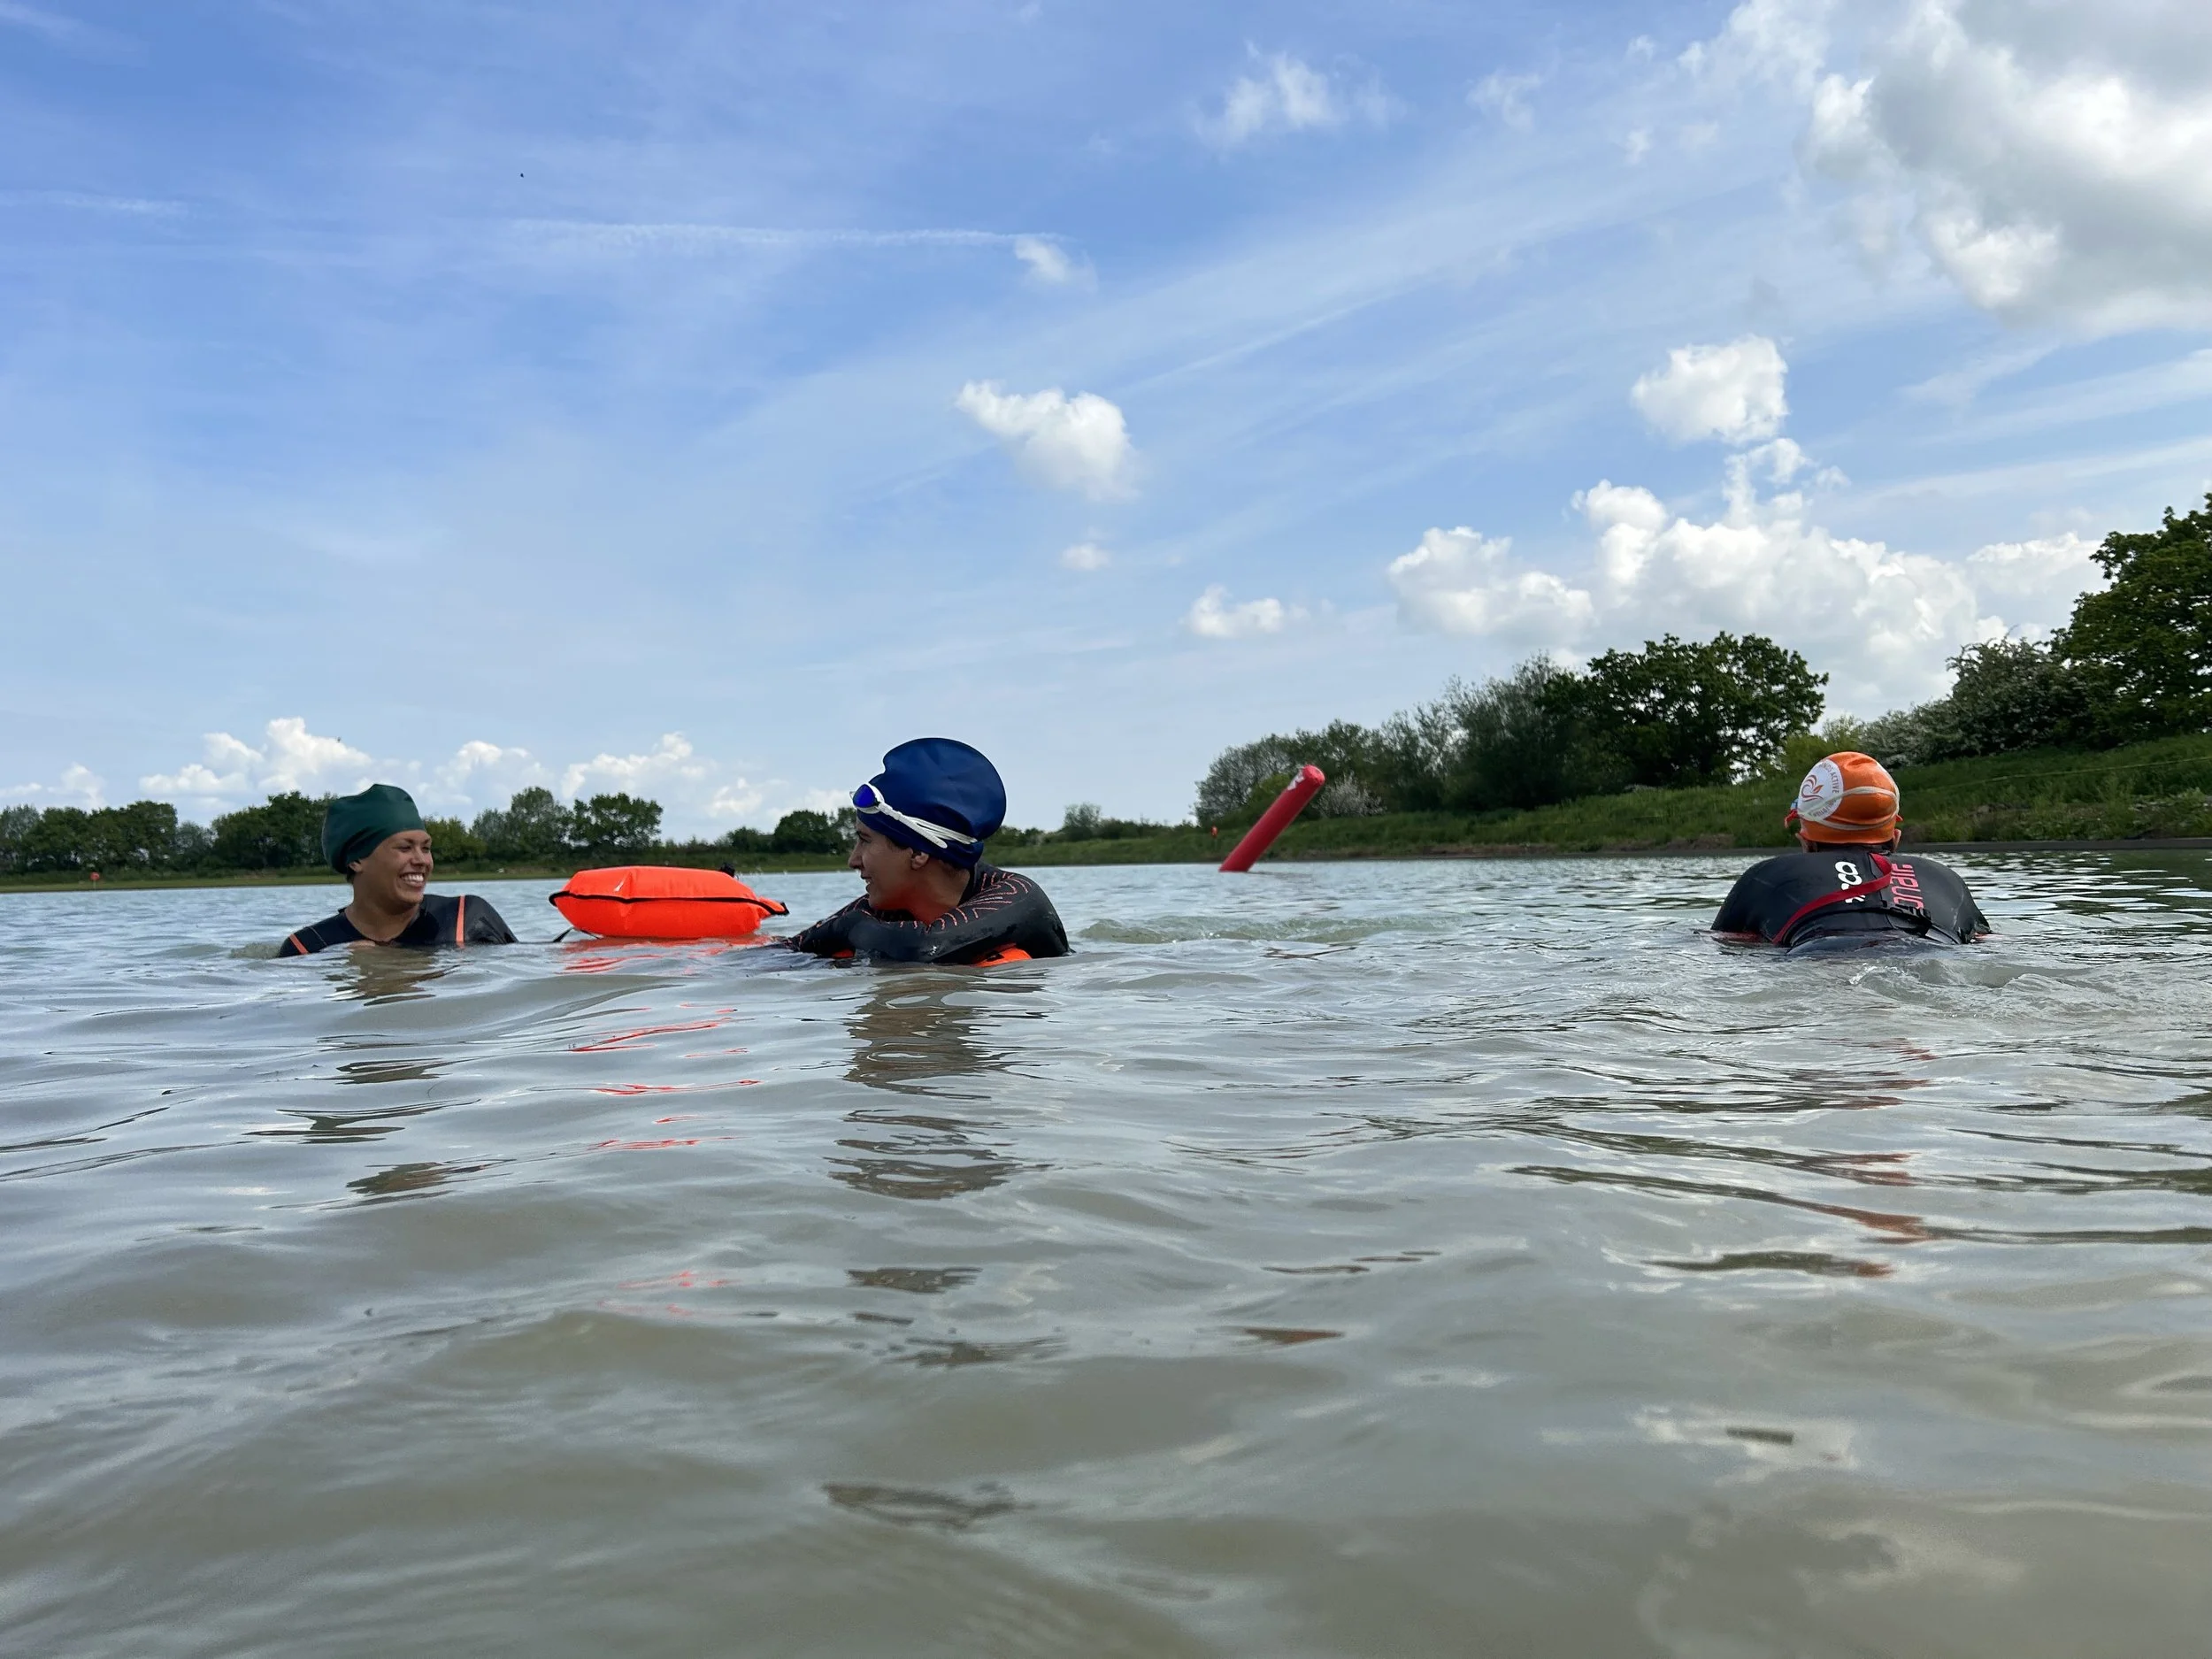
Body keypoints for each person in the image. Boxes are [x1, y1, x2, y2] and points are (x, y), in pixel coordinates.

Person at [787, 738, 1069, 965]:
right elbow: (785, 952)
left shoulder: (1016, 897)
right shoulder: (881, 910)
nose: (853, 860)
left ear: (919, 852)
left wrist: (848, 929)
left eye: (865, 840)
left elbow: (928, 948)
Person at [1712, 751, 1989, 950]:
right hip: (1932, 954)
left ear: (1805, 840)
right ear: (1895, 838)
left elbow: (1722, 944)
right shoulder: (1945, 879)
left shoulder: (1766, 876)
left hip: (1818, 960)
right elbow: (1989, 942)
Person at [278, 783, 518, 956]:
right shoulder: (307, 947)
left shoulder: (468, 918)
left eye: (426, 848)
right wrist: (338, 961)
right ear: (357, 860)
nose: (422, 860)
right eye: (404, 848)